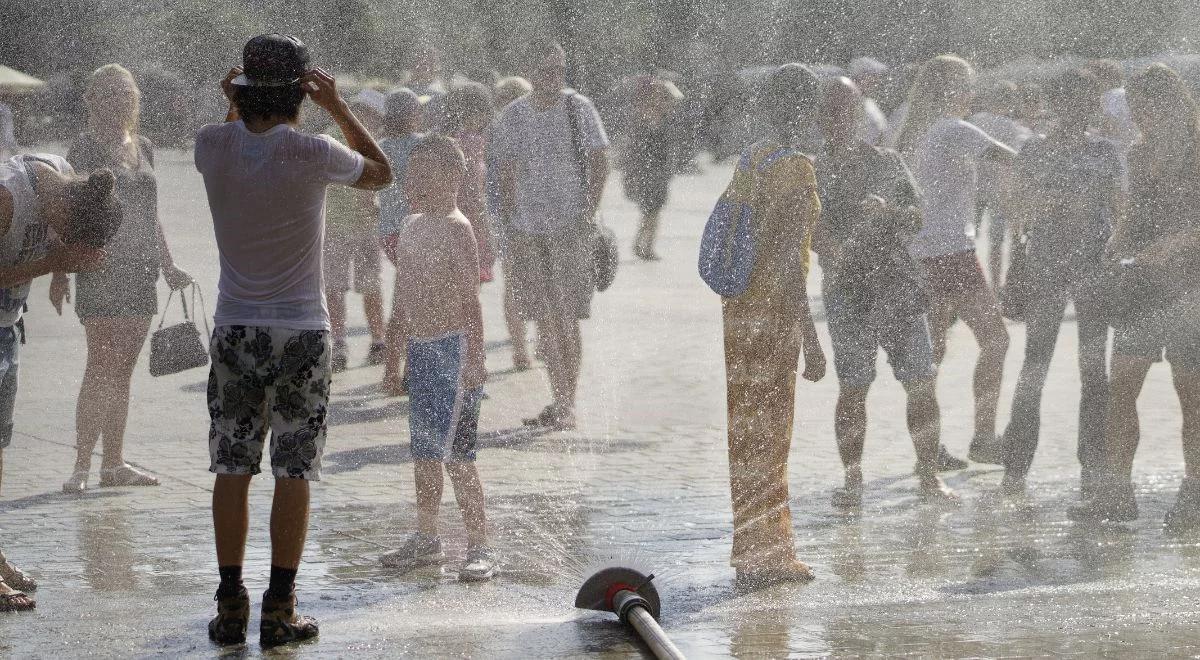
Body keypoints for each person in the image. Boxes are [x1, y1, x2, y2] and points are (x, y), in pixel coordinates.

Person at [196, 34, 391, 647]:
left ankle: (231, 606)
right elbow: (382, 172)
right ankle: (281, 609)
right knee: (293, 470)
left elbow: (233, 141)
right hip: (303, 331)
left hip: (236, 327)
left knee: (232, 465)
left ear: (245, 89)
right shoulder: (314, 152)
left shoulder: (211, 146)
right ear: (301, 92)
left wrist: (232, 105)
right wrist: (338, 106)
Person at [1068, 64, 1200, 531]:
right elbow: (1135, 215)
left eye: (1148, 106)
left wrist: (1175, 244)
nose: (1140, 117)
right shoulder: (1139, 154)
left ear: (1173, 103)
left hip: (1190, 288)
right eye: (1136, 108)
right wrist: (1112, 251)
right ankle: (1118, 492)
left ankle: (1194, 493)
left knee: (1192, 396)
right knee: (1121, 387)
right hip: (1142, 285)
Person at [814, 77, 956, 506]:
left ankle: (930, 477)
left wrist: (889, 211)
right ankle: (852, 480)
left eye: (847, 110)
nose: (839, 119)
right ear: (821, 119)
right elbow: (805, 226)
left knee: (921, 382)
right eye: (832, 111)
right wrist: (831, 248)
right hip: (847, 292)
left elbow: (917, 216)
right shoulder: (813, 169)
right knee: (854, 387)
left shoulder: (887, 162)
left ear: (859, 115)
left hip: (896, 284)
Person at [55, 64, 193, 494]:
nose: (117, 100)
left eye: (124, 93)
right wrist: (60, 270)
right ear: (92, 100)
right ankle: (81, 465)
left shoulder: (144, 146)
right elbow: (66, 212)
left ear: (133, 100)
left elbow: (151, 216)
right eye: (107, 93)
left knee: (124, 370)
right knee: (100, 366)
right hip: (99, 267)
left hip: (141, 271)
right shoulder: (81, 149)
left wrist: (168, 264)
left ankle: (112, 464)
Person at [0, 150, 121, 612]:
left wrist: (63, 264)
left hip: (7, 327)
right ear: (65, 209)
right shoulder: (8, 197)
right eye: (66, 233)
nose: (61, 240)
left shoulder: (62, 177)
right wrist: (51, 261)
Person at [720, 64, 826, 588]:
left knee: (746, 432)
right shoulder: (798, 169)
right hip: (774, 315)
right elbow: (789, 261)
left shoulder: (753, 159)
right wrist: (812, 340)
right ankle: (772, 553)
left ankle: (749, 548)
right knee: (772, 432)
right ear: (808, 110)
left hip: (738, 311)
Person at [377, 135, 497, 581]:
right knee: (424, 451)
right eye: (413, 172)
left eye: (429, 172)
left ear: (455, 177)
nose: (417, 180)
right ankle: (427, 538)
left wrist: (476, 359)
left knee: (459, 455)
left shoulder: (457, 227)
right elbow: (403, 296)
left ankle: (481, 545)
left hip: (455, 350)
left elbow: (472, 300)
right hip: (422, 352)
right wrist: (395, 358)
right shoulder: (409, 225)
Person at [999, 70, 1122, 497]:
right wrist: (1049, 203)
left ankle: (1092, 467)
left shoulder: (1106, 152)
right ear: (1055, 105)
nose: (1073, 111)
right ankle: (1015, 468)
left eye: (1081, 103)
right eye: (1066, 102)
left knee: (1094, 372)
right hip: (1046, 266)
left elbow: (1121, 211)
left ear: (1090, 107)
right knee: (1036, 366)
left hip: (1094, 267)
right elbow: (1014, 206)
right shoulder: (1032, 150)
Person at [894, 54, 1016, 469]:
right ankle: (982, 437)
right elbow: (1013, 159)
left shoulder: (911, 127)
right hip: (950, 253)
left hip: (917, 253)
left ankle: (928, 453)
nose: (971, 92)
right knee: (996, 341)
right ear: (950, 90)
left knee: (932, 354)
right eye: (966, 84)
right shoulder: (952, 128)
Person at [492, 39, 610, 430]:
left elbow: (599, 158)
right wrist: (507, 229)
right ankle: (558, 399)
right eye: (544, 70)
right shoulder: (512, 116)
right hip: (527, 232)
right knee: (544, 319)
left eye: (559, 70)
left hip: (569, 231)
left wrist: (589, 211)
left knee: (565, 318)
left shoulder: (579, 108)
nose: (553, 78)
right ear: (529, 71)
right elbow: (505, 175)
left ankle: (566, 403)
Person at [323, 89, 388, 372]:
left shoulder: (374, 143)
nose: (370, 121)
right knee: (335, 288)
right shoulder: (333, 138)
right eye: (365, 113)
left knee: (369, 286)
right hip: (336, 226)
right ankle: (340, 343)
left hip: (363, 228)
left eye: (375, 117)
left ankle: (377, 341)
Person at [378, 88, 426, 396]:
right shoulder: (421, 146)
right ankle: (397, 373)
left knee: (407, 298)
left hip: (390, 234)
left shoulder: (379, 147)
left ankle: (398, 371)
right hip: (416, 230)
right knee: (411, 303)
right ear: (410, 115)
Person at [968, 81, 1032, 289]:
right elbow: (1012, 163)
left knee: (968, 237)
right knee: (997, 240)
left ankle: (968, 284)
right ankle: (995, 287)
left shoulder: (974, 121)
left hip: (973, 186)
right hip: (999, 188)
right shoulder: (1010, 127)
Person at [489, 77, 534, 371]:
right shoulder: (530, 130)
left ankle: (520, 349)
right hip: (523, 218)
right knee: (540, 282)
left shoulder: (494, 132)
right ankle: (537, 342)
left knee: (514, 284)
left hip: (504, 218)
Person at [623, 76, 685, 261]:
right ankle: (645, 246)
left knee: (651, 211)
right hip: (649, 172)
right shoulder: (645, 118)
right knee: (651, 211)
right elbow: (635, 148)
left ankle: (641, 244)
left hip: (658, 172)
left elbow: (677, 99)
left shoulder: (662, 118)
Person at [440, 82, 496, 282]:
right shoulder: (472, 141)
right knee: (467, 286)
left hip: (448, 215)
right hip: (469, 216)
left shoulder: (446, 140)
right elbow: (473, 188)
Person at [1085, 59, 1140, 160]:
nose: (1088, 86)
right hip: (1130, 145)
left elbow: (1111, 128)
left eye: (1090, 80)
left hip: (1118, 150)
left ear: (1103, 79)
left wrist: (1086, 130)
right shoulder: (1123, 93)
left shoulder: (1111, 96)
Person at [848, 57, 890, 146]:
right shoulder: (847, 102)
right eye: (872, 76)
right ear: (860, 76)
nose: (876, 82)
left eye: (877, 77)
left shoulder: (869, 103)